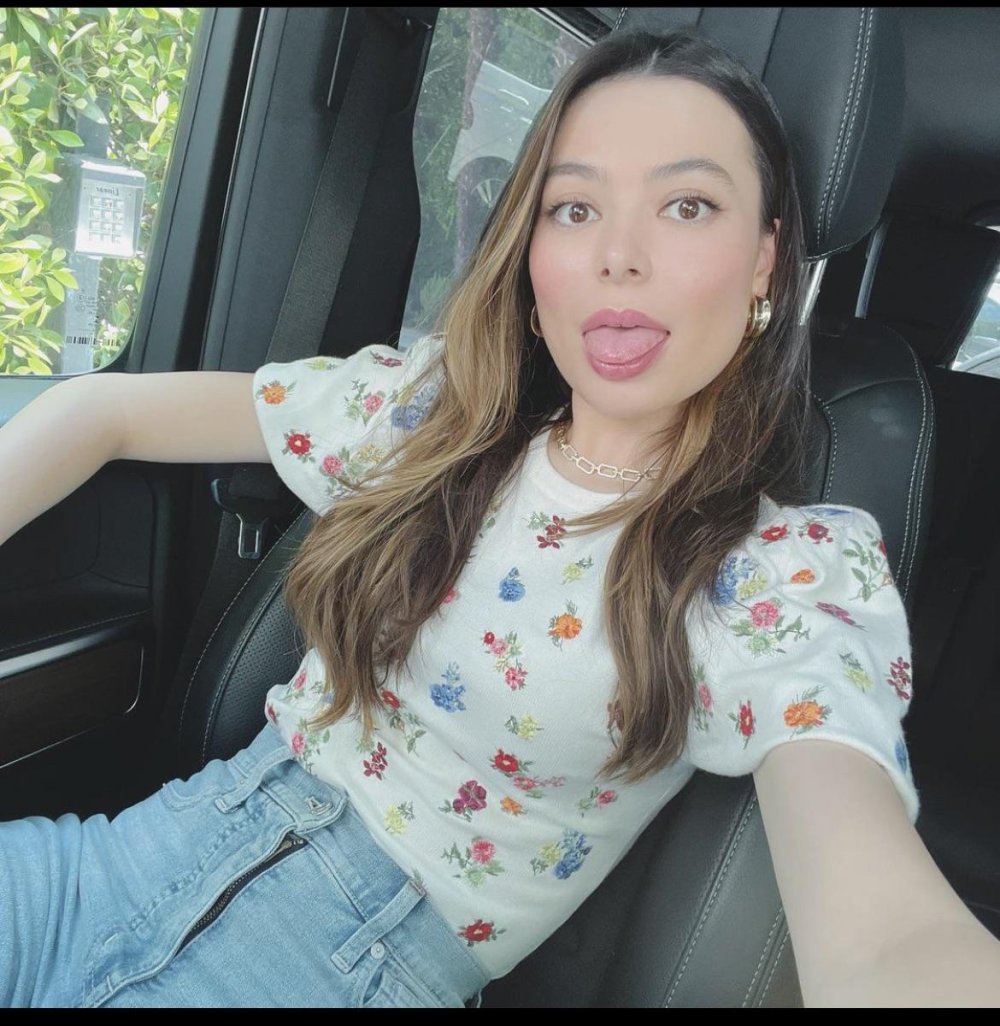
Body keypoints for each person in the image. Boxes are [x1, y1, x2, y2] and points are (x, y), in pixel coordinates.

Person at [1, 26, 999, 1009]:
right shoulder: (432, 417)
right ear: (532, 253)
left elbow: (885, 937)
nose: (618, 255)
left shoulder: (778, 572)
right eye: (574, 208)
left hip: (349, 967)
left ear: (764, 262)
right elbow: (104, 411)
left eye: (687, 205)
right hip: (130, 858)